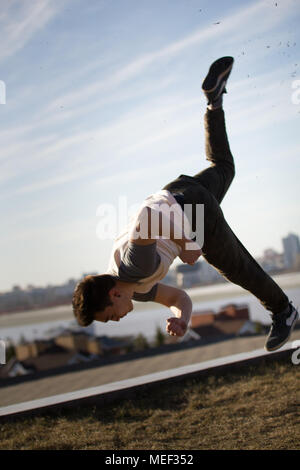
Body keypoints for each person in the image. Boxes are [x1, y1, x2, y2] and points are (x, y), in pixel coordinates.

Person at [72, 57, 299, 352]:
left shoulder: (132, 269)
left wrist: (186, 243)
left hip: (192, 213)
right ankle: (213, 103)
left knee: (236, 266)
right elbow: (179, 299)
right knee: (224, 166)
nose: (114, 321)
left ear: (114, 295)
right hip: (178, 191)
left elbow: (146, 218)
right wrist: (183, 319)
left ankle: (283, 310)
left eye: (108, 317)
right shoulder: (138, 290)